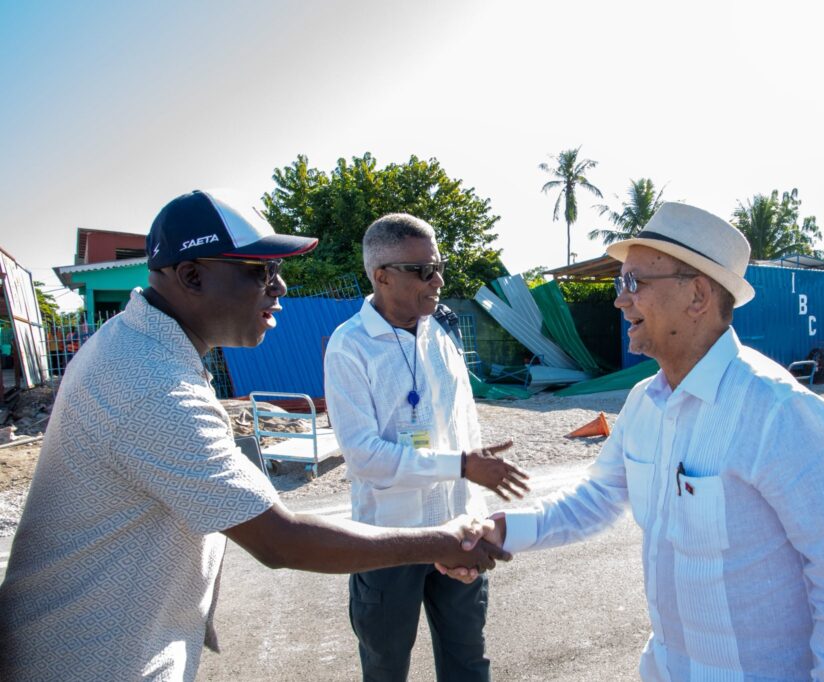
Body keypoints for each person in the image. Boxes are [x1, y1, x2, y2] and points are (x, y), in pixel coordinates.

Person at [0, 191, 506, 681]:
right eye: (261, 271)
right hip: (99, 662)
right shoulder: (153, 385)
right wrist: (444, 540)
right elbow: (280, 540)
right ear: (192, 276)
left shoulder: (139, 349)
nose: (280, 286)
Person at [442, 202, 824, 679]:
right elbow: (596, 498)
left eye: (634, 283)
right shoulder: (642, 404)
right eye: (621, 284)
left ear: (697, 295)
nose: (620, 300)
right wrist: (501, 530)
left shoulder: (782, 414)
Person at [324, 213, 530, 681]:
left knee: (467, 661)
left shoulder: (441, 334)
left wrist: (473, 500)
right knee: (385, 665)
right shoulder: (349, 347)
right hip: (388, 540)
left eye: (438, 267)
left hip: (458, 528)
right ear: (381, 276)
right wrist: (460, 465)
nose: (437, 280)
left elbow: (464, 426)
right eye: (422, 270)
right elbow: (364, 457)